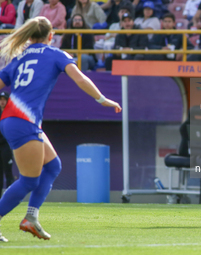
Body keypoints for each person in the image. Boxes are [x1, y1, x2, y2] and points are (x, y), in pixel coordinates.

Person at [0, 16, 121, 243]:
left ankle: (31, 218)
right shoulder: (56, 54)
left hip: (14, 119)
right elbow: (81, 78)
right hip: (23, 120)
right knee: (28, 180)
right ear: (51, 35)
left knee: (53, 166)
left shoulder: (18, 57)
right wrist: (102, 99)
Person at [0, 91, 14, 199]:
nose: (2, 102)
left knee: (8, 172)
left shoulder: (11, 113)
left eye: (4, 99)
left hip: (7, 147)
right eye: (1, 99)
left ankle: (10, 197)